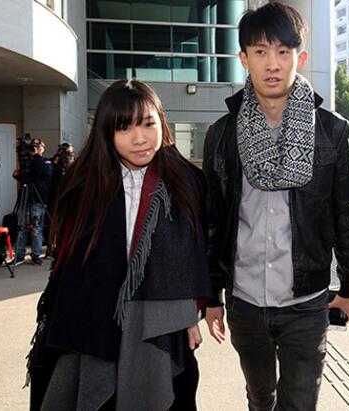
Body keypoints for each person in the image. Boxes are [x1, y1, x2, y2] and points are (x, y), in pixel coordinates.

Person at [202, 3, 349, 410]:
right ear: (244, 58)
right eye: (260, 51)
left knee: (300, 402)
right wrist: (211, 295)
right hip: (244, 300)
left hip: (306, 302)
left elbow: (343, 216)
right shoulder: (222, 135)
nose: (272, 63)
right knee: (260, 397)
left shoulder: (332, 131)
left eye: (283, 51)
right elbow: (213, 222)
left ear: (300, 58)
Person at [26, 80, 212, 411]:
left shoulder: (186, 180)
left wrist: (187, 314)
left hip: (159, 321)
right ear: (106, 132)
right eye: (124, 128)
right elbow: (69, 264)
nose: (140, 138)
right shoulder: (83, 183)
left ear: (162, 122)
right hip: (93, 317)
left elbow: (194, 257)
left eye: (148, 124)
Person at [13, 138, 52, 265]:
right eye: (33, 148)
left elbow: (40, 172)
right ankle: (19, 254)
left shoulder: (45, 162)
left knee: (36, 229)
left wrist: (37, 156)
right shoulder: (29, 162)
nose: (34, 150)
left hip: (38, 200)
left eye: (38, 147)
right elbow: (23, 176)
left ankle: (36, 254)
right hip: (25, 198)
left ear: (42, 148)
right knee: (21, 227)